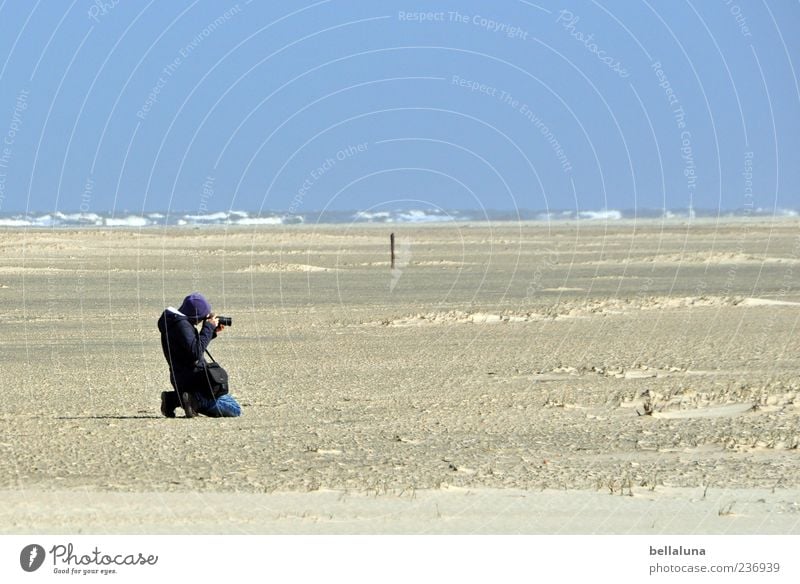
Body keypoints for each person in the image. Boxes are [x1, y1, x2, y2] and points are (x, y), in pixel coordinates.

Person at [157, 292, 242, 418]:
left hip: (182, 378)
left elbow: (189, 346)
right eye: (202, 317)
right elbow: (195, 352)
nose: (202, 320)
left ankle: (173, 399)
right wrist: (208, 327)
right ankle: (194, 401)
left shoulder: (174, 323)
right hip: (194, 381)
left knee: (225, 398)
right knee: (235, 408)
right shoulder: (182, 326)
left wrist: (211, 332)